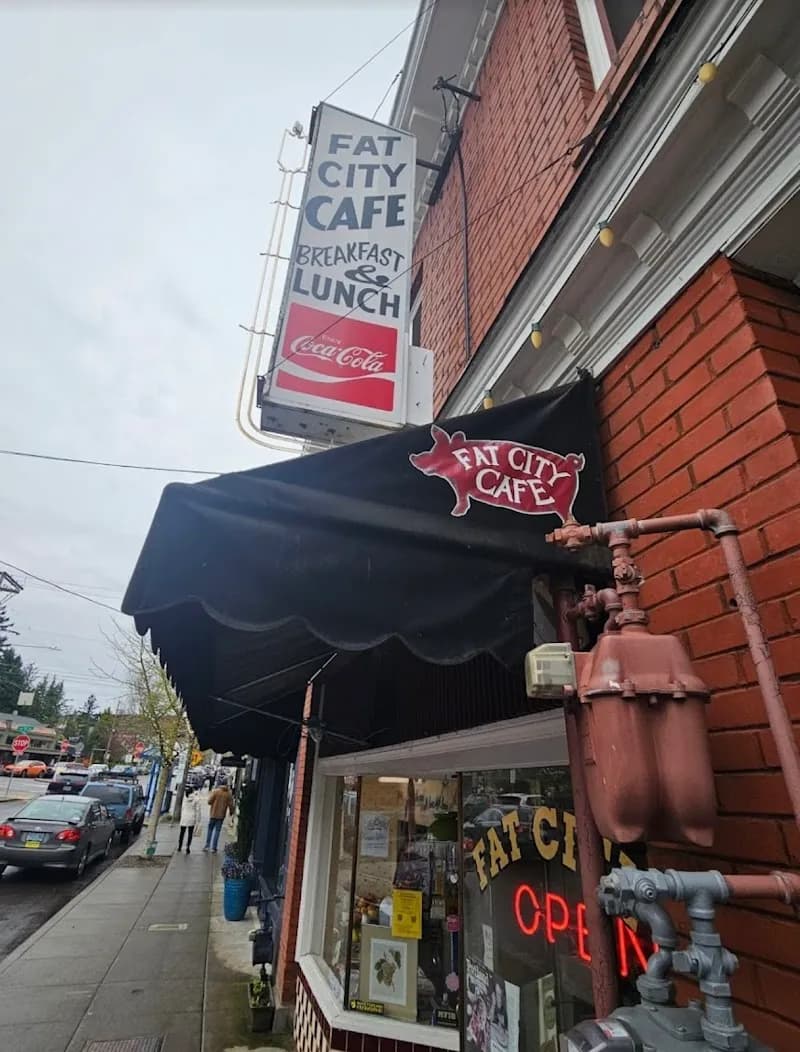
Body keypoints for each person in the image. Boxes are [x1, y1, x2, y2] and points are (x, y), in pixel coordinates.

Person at [204, 779, 234, 853]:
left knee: (210, 829)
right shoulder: (228, 794)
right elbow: (231, 805)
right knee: (217, 831)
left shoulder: (216, 791)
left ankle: (207, 846)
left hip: (213, 814)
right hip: (221, 815)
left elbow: (209, 801)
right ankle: (214, 848)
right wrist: (231, 812)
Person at [178, 785, 201, 854]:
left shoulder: (184, 798)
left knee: (182, 833)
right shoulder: (196, 799)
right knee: (190, 834)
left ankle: (179, 846)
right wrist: (198, 820)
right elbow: (198, 810)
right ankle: (188, 847)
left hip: (184, 816)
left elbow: (182, 807)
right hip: (192, 817)